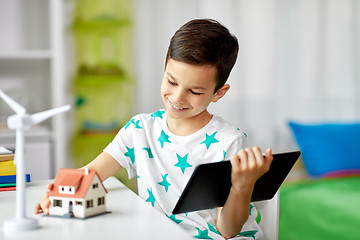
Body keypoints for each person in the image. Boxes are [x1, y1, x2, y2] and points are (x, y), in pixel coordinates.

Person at [35, 18, 273, 240]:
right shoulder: (140, 128)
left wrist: (242, 186)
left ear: (218, 93)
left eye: (195, 92)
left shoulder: (229, 141)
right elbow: (91, 173)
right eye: (171, 81)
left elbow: (228, 231)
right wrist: (57, 195)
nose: (177, 97)